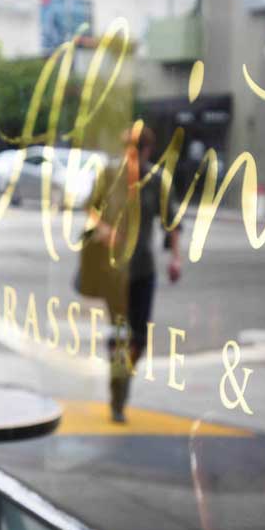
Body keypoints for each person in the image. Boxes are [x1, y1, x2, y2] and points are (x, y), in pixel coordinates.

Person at [81, 124, 182, 423]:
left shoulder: (157, 181)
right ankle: (118, 394)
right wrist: (104, 229)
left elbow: (172, 222)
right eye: (127, 150)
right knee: (121, 333)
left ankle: (121, 375)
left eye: (137, 151)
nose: (131, 157)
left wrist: (176, 259)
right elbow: (91, 209)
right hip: (114, 272)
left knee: (139, 339)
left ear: (148, 151)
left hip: (143, 269)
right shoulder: (109, 175)